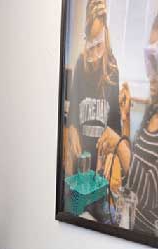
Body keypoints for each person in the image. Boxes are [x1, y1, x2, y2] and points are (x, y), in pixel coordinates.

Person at [96, 13, 158, 235]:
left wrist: (119, 145)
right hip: (130, 228)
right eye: (149, 60)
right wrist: (125, 119)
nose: (151, 72)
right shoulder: (153, 111)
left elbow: (152, 193)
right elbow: (137, 166)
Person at [64, 0, 122, 179]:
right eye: (91, 45)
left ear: (106, 36)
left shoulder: (112, 69)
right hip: (79, 164)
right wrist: (72, 130)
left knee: (97, 206)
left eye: (99, 45)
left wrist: (111, 154)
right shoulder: (81, 64)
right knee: (76, 204)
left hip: (100, 167)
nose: (95, 55)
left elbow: (115, 123)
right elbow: (73, 110)